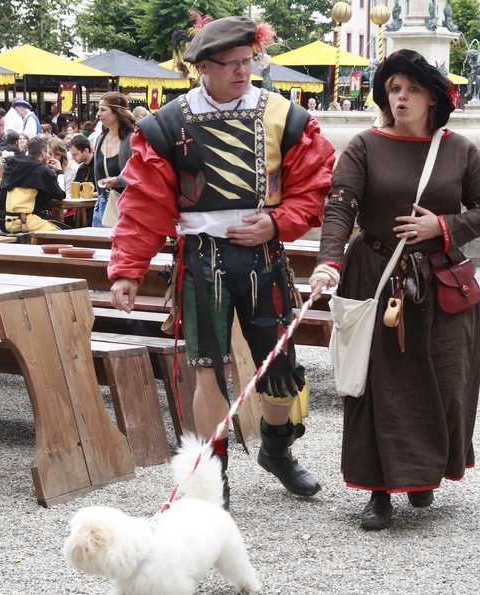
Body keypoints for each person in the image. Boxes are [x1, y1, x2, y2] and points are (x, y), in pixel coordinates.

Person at [108, 15, 335, 507]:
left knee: (280, 369)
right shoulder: (166, 124)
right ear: (203, 67)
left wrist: (277, 223)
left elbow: (316, 185)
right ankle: (214, 479)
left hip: (265, 257)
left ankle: (277, 451)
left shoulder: (287, 117)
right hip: (200, 259)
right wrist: (127, 269)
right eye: (230, 64)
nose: (242, 72)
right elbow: (144, 202)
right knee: (207, 369)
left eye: (248, 61)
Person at [308, 49, 480, 530]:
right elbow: (340, 207)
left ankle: (421, 473)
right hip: (375, 276)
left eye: (412, 89)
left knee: (444, 380)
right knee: (379, 386)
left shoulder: (456, 149)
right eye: (394, 88)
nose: (401, 96)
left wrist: (443, 225)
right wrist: (329, 261)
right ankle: (378, 491)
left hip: (440, 284)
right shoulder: (363, 145)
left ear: (433, 99)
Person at [0, 135, 69, 233]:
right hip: (23, 221)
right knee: (67, 232)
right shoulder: (41, 170)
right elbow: (61, 195)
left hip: (3, 221)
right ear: (43, 152)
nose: (48, 155)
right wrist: (59, 171)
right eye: (48, 152)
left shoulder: (12, 166)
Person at [92, 92, 134, 228]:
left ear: (116, 112)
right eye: (98, 109)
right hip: (103, 204)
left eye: (103, 110)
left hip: (126, 207)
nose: (98, 114)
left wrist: (118, 180)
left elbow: (141, 175)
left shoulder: (132, 139)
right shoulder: (100, 139)